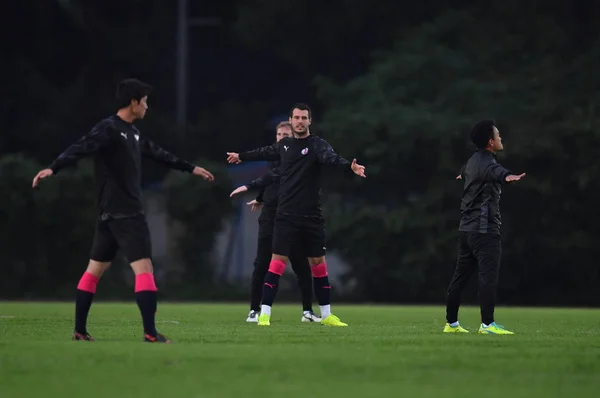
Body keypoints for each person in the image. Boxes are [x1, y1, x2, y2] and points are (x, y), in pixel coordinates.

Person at [32, 78, 215, 343]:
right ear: (134, 102)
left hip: (108, 216)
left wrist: (190, 168)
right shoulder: (109, 128)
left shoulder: (134, 133)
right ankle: (151, 333)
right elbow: (81, 146)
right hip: (126, 212)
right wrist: (54, 167)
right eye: (145, 102)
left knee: (93, 271)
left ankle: (80, 331)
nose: (147, 107)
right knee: (145, 270)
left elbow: (158, 153)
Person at [226, 103, 366, 326]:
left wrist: (350, 166)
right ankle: (264, 314)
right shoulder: (285, 147)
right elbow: (263, 152)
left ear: (310, 121)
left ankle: (327, 315)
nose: (300, 121)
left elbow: (331, 158)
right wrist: (242, 156)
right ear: (291, 121)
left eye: (304, 118)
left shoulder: (318, 145)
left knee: (318, 263)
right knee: (276, 262)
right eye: (297, 117)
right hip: (286, 214)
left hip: (312, 216)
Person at [229, 121, 320, 323]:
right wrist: (262, 197)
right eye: (279, 134)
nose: (281, 138)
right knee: (262, 263)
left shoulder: (297, 158)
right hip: (271, 215)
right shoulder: (276, 155)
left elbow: (274, 178)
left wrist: (254, 190)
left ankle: (307, 311)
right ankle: (254, 310)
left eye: (285, 134)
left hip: (292, 216)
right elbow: (271, 179)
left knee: (301, 266)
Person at [444, 120, 525, 335]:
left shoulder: (471, 161)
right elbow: (497, 172)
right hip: (485, 231)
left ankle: (451, 324)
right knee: (487, 279)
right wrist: (508, 176)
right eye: (498, 135)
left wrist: (464, 175)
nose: (501, 138)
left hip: (466, 231)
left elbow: (468, 171)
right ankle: (487, 325)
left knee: (459, 278)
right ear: (490, 142)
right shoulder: (488, 163)